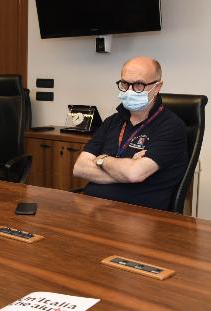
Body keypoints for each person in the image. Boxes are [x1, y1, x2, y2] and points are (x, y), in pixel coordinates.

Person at [73, 56, 187, 211]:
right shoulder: (112, 121)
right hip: (93, 208)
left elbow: (134, 174)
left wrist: (102, 160)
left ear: (158, 87)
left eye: (139, 85)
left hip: (138, 216)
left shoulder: (171, 126)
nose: (129, 91)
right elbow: (80, 168)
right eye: (125, 84)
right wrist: (124, 173)